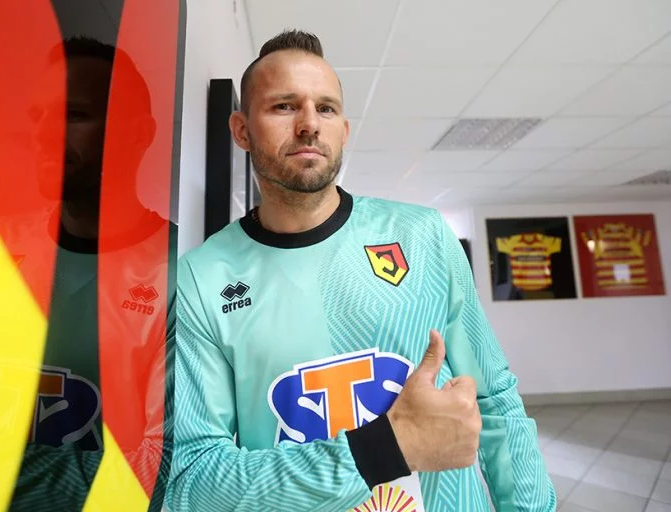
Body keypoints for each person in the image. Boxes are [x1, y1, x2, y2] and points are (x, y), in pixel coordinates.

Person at [166, 30, 555, 512]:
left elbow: (495, 399)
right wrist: (385, 449)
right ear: (241, 130)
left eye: (326, 108)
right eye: (285, 106)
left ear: (344, 131)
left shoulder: (423, 236)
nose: (310, 124)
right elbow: (192, 481)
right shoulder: (202, 279)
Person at [0, 37, 174, 511]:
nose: (44, 134)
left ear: (139, 134)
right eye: (38, 116)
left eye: (73, 116)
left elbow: (161, 465)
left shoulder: (183, 271)